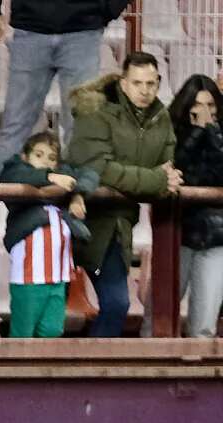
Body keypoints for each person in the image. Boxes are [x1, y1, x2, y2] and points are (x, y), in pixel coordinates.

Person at [67, 52, 180, 338]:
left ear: (159, 83)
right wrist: (154, 180)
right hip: (75, 222)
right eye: (138, 83)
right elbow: (98, 169)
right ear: (123, 82)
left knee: (117, 304)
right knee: (53, 311)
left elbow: (168, 167)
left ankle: (92, 373)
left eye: (151, 84)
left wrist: (156, 179)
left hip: (117, 229)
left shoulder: (161, 117)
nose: (145, 91)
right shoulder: (95, 110)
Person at [0, 0, 131, 172]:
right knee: (16, 123)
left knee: (81, 126)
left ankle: (78, 194)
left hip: (83, 32)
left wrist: (103, 10)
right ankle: (5, 193)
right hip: (30, 30)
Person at [0, 132, 98, 338]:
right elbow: (14, 175)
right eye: (39, 155)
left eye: (51, 158)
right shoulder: (16, 171)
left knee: (52, 329)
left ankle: (41, 370)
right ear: (26, 157)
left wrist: (77, 195)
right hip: (29, 274)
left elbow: (90, 174)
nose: (45, 162)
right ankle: (15, 369)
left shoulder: (63, 179)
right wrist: (49, 177)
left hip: (59, 273)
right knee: (23, 331)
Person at [168, 75, 223, 338]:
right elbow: (177, 167)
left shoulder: (219, 133)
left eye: (210, 105)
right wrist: (198, 133)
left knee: (203, 325)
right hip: (173, 232)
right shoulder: (170, 131)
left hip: (216, 234)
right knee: (159, 314)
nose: (205, 112)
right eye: (198, 105)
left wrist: (210, 132)